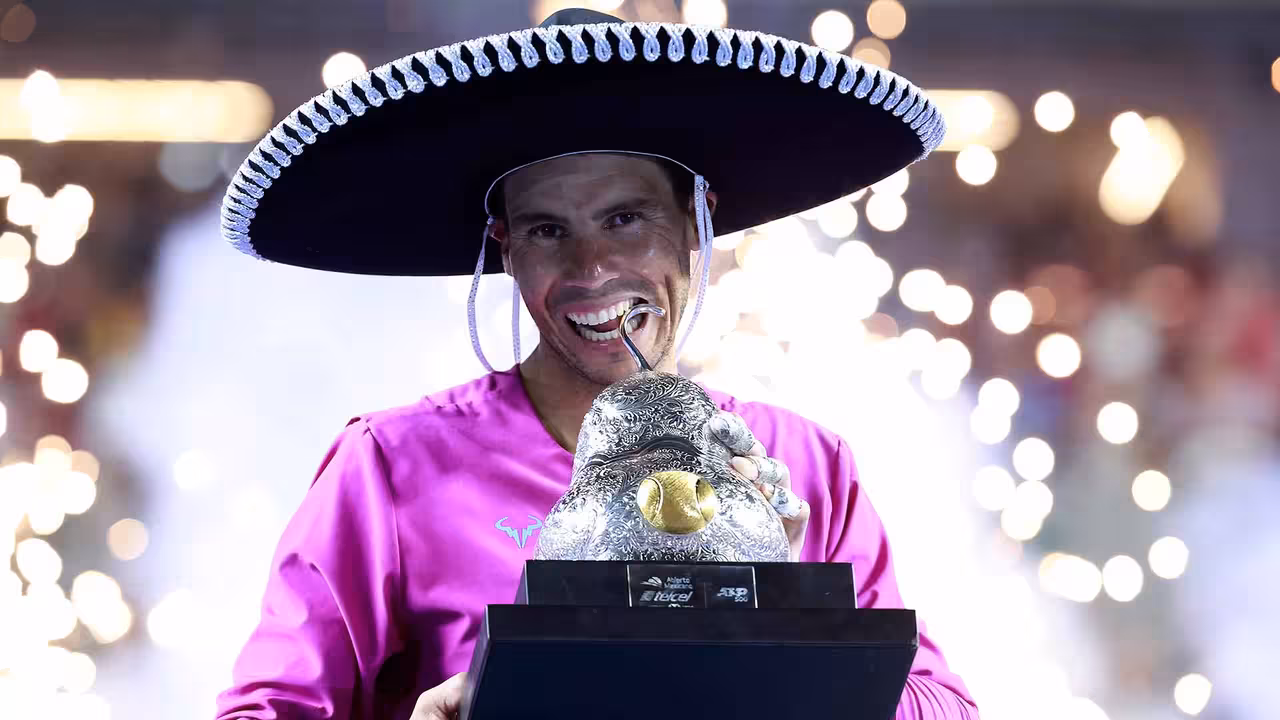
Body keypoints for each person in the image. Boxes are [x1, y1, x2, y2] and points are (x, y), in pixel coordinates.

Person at [215, 8, 974, 720]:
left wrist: (789, 621)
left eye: (625, 218)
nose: (593, 268)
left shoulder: (804, 464)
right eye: (547, 231)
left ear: (695, 220)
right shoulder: (390, 467)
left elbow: (943, 705)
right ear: (505, 249)